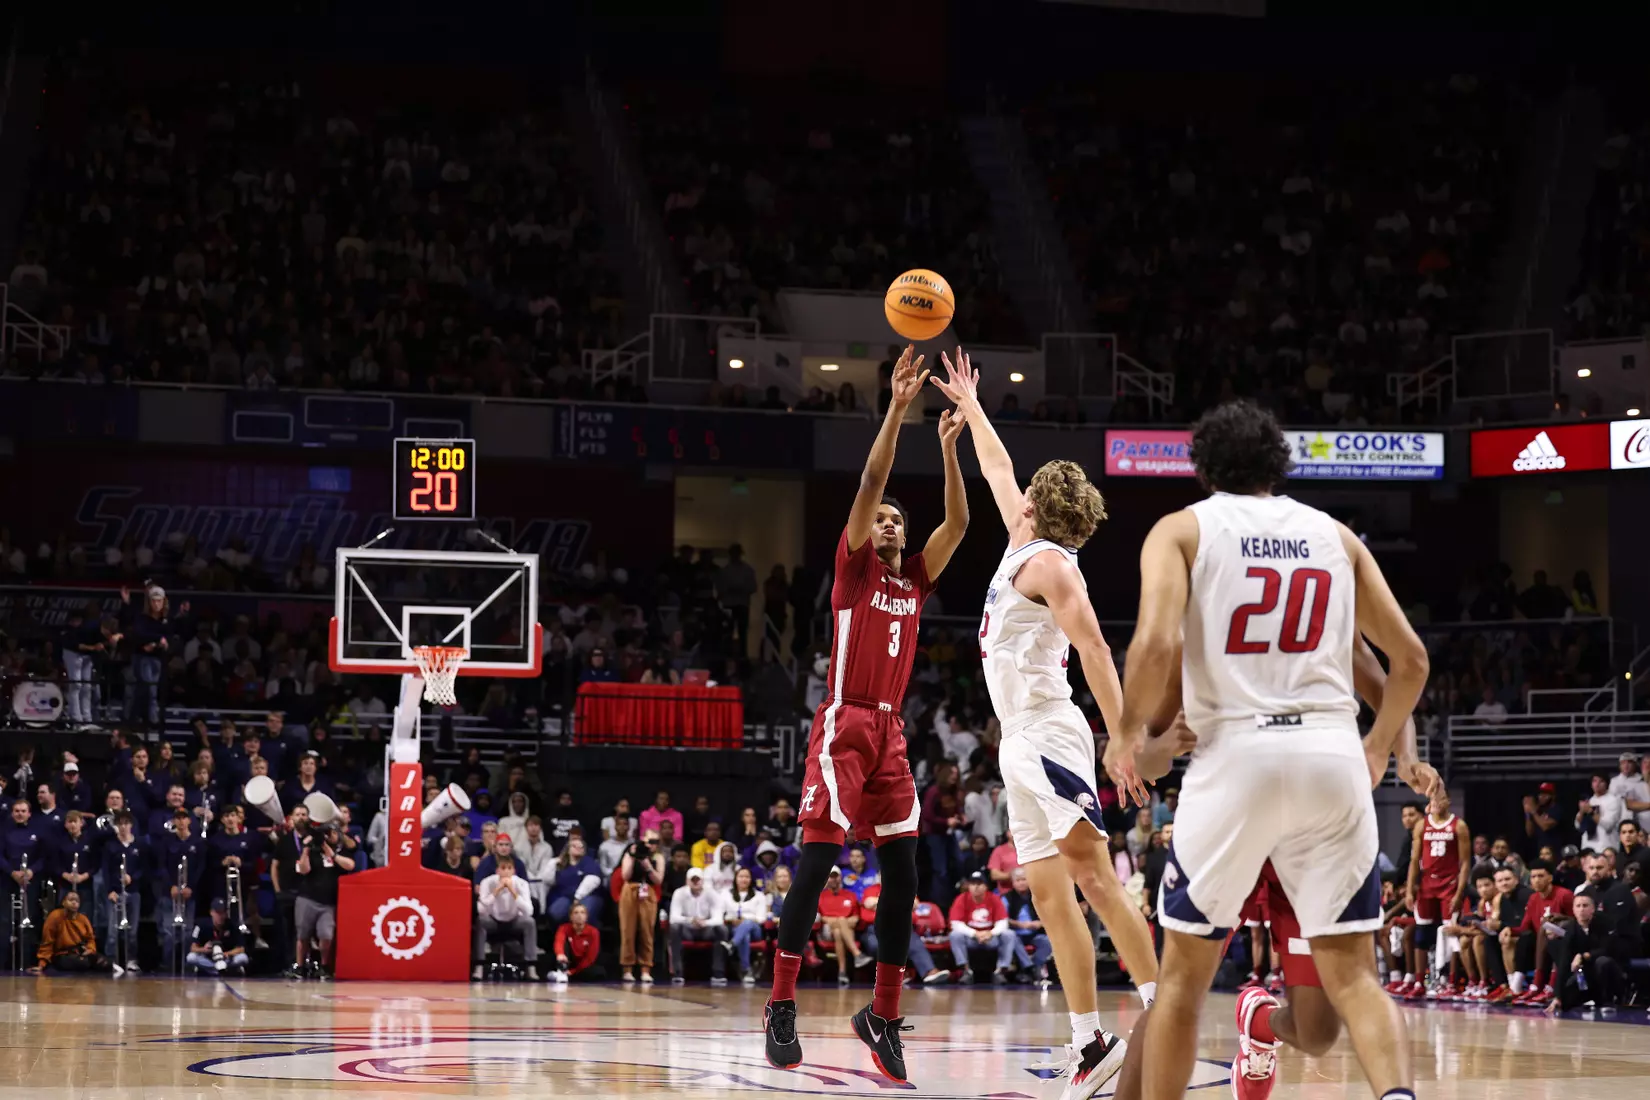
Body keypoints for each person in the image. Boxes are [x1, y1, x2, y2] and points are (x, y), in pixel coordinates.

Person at [1116, 400, 1428, 1100]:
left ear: (1202, 469)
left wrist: (1124, 733)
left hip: (1237, 758)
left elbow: (1156, 643)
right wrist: (1379, 748)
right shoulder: (1336, 536)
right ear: (1278, 464)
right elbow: (1409, 661)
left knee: (1183, 986)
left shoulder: (1183, 530)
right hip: (1331, 758)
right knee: (1356, 978)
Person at [929, 348, 1158, 1097]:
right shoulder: (1021, 544)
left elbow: (1095, 647)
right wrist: (973, 405)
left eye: (1024, 488)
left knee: (1092, 874)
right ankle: (1090, 1040)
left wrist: (1121, 740)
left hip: (1051, 730)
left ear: (1037, 503)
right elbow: (996, 468)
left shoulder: (1054, 566)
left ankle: (1163, 1017)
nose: (1015, 487)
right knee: (1050, 892)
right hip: (1019, 742)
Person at [765, 344, 970, 1084]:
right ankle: (782, 1004)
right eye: (877, 519)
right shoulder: (852, 570)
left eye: (893, 521)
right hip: (844, 723)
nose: (885, 523)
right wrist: (898, 408)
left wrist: (950, 448)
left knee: (905, 874)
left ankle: (881, 1016)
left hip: (889, 733)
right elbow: (872, 476)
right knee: (817, 863)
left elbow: (958, 521)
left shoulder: (915, 579)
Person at [1398, 788, 1470, 997]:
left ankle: (1450, 981)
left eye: (1442, 798)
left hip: (1450, 883)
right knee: (1422, 933)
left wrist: (1459, 892)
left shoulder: (1460, 826)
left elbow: (1465, 863)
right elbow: (1414, 860)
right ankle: (1420, 982)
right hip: (1427, 884)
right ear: (1429, 802)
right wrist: (1410, 890)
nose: (1438, 802)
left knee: (1450, 932)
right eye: (1434, 798)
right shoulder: (1422, 825)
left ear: (1448, 801)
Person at [1549, 894, 1625, 1009]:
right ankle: (1586, 998)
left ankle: (1608, 1000)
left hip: (1606, 967)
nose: (1581, 909)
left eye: (1585, 905)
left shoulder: (1604, 923)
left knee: (1603, 962)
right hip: (1583, 971)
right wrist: (1557, 996)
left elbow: (1607, 949)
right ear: (1573, 910)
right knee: (1566, 1000)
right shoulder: (1570, 929)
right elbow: (1564, 962)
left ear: (1593, 909)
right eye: (1578, 906)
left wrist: (1583, 956)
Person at [474, 856, 537, 981]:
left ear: (513, 871)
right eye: (503, 868)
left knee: (530, 922)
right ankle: (479, 966)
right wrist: (496, 892)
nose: (506, 872)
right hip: (494, 920)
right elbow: (481, 909)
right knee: (481, 922)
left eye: (509, 869)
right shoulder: (487, 882)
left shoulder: (521, 883)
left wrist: (513, 892)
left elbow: (529, 911)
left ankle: (531, 967)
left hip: (514, 921)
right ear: (497, 871)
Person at [618, 829, 665, 983]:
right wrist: (633, 856)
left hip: (648, 892)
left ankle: (645, 968)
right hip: (630, 890)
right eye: (650, 842)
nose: (653, 845)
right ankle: (627, 969)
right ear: (643, 841)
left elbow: (658, 880)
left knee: (647, 930)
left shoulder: (658, 858)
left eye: (656, 842)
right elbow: (625, 875)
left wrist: (648, 866)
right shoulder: (630, 854)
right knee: (628, 930)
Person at [32, 888, 115, 974]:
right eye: (71, 900)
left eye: (77, 901)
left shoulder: (83, 919)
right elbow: (47, 942)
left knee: (106, 963)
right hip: (62, 954)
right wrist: (42, 963)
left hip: (81, 953)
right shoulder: (55, 916)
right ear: (63, 902)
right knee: (82, 963)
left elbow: (90, 939)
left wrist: (90, 949)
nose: (74, 903)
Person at [670, 866, 729, 985]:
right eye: (693, 880)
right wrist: (690, 920)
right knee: (674, 927)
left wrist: (705, 922)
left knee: (722, 929)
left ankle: (718, 972)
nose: (696, 882)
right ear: (687, 881)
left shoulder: (712, 893)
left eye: (698, 880)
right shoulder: (679, 893)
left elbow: (718, 918)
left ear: (703, 881)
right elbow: (673, 918)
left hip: (706, 929)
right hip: (687, 928)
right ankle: (678, 973)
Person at [724, 865, 772, 985]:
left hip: (755, 929)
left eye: (747, 877)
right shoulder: (726, 894)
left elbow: (761, 918)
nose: (743, 879)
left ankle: (732, 944)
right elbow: (723, 914)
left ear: (751, 880)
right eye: (741, 876)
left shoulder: (759, 896)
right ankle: (746, 970)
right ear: (735, 878)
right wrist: (733, 919)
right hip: (734, 928)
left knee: (747, 923)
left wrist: (745, 919)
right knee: (744, 936)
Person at [186, 897, 248, 976]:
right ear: (211, 912)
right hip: (208, 958)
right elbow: (193, 948)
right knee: (191, 957)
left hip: (226, 958)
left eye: (223, 912)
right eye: (217, 912)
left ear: (226, 913)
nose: (220, 916)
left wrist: (227, 954)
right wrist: (204, 949)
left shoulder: (232, 925)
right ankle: (218, 969)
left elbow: (241, 948)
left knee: (243, 958)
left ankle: (217, 969)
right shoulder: (201, 925)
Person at [551, 901, 603, 983]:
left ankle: (569, 975)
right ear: (571, 917)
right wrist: (560, 954)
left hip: (582, 966)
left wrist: (573, 971)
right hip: (567, 960)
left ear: (586, 917)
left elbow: (590, 957)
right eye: (576, 913)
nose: (579, 915)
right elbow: (559, 942)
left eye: (582, 913)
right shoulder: (564, 928)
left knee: (598, 972)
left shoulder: (593, 932)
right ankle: (562, 972)